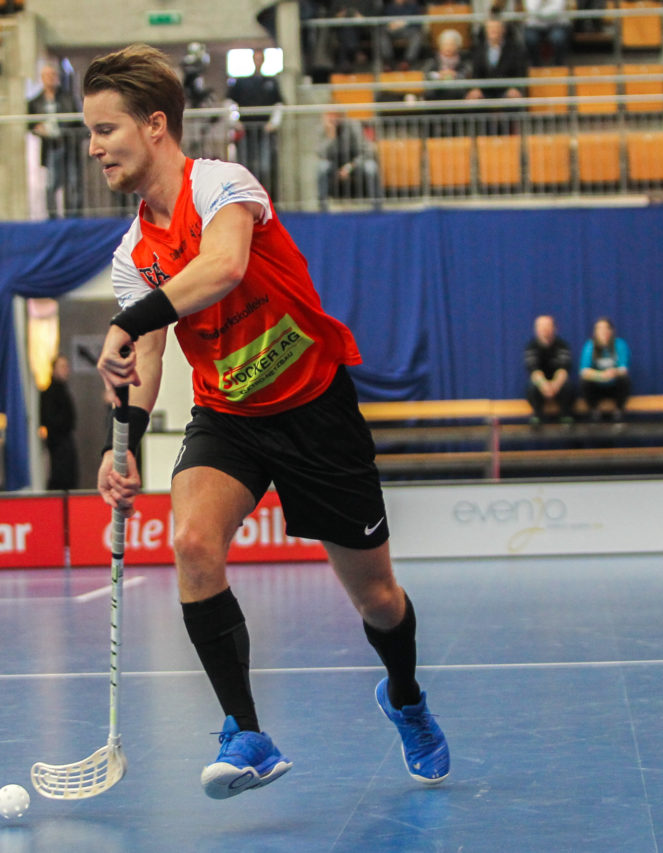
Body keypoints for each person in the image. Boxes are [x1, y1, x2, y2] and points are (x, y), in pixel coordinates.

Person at [84, 43, 449, 800]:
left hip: (314, 406)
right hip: (230, 417)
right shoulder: (132, 254)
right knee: (190, 540)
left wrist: (130, 321)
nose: (94, 147)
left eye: (105, 129)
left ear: (156, 126)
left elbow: (221, 268)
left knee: (377, 597)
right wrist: (123, 431)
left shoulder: (222, 184)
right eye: (88, 132)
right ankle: (246, 732)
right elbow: (148, 356)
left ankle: (406, 696)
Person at [28, 61, 82, 219]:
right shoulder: (35, 102)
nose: (50, 78)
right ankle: (52, 217)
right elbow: (30, 124)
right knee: (52, 183)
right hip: (50, 147)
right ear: (42, 78)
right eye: (47, 75)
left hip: (69, 145)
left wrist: (66, 131)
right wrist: (38, 129)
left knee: (73, 182)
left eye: (53, 75)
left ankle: (74, 216)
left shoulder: (68, 98)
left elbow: (77, 122)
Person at [227, 48, 283, 196]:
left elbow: (279, 104)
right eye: (256, 58)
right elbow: (229, 102)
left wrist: (273, 123)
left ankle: (263, 196)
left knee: (264, 166)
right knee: (245, 166)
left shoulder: (271, 82)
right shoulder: (241, 83)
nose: (258, 61)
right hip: (246, 131)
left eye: (260, 58)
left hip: (264, 131)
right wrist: (235, 121)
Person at [316, 110, 382, 209]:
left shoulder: (353, 126)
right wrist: (331, 136)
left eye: (334, 116)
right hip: (335, 164)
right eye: (329, 116)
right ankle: (323, 207)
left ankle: (377, 206)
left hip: (355, 163)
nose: (332, 119)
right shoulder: (323, 128)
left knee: (371, 168)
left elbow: (366, 150)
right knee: (322, 167)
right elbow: (321, 153)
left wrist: (349, 167)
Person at [524, 314, 577, 424]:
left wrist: (555, 385)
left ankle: (566, 415)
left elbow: (563, 370)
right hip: (541, 386)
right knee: (532, 386)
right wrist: (544, 386)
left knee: (568, 386)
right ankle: (537, 415)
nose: (544, 330)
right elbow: (534, 371)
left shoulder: (562, 346)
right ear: (536, 330)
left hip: (558, 385)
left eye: (547, 326)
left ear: (554, 328)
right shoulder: (531, 347)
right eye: (541, 327)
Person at [578, 317, 631, 421]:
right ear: (595, 332)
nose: (603, 332)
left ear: (612, 331)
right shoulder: (590, 346)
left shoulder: (619, 344)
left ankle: (619, 411)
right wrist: (601, 375)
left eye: (606, 329)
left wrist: (614, 372)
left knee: (625, 380)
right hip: (597, 387)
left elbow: (624, 369)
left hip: (614, 386)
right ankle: (594, 410)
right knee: (584, 382)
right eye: (600, 329)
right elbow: (584, 371)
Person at [40, 354, 79, 490]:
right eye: (62, 367)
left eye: (66, 367)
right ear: (54, 369)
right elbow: (50, 419)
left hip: (66, 441)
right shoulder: (49, 394)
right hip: (57, 444)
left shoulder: (64, 391)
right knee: (59, 479)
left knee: (70, 478)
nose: (66, 370)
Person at [468, 18, 528, 102]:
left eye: (496, 28)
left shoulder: (514, 49)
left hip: (507, 89)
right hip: (485, 91)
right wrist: (475, 88)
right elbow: (475, 72)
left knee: (515, 99)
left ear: (503, 30)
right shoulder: (478, 48)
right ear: (486, 30)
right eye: (490, 28)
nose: (493, 30)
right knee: (472, 99)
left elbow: (520, 71)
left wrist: (515, 88)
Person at [523, 0, 569, 67]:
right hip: (534, 26)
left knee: (559, 38)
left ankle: (558, 65)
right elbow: (531, 9)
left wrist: (541, 14)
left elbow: (557, 10)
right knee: (530, 39)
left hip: (556, 24)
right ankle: (535, 65)